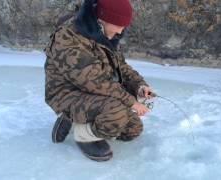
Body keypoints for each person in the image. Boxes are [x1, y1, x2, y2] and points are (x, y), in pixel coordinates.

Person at [44, 0, 153, 161]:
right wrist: (132, 102)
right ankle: (83, 134)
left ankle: (76, 118)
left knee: (132, 130)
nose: (118, 35)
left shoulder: (105, 34)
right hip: (67, 94)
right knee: (117, 113)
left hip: (95, 92)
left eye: (121, 31)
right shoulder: (67, 39)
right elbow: (95, 81)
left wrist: (139, 85)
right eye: (116, 30)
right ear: (101, 20)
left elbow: (120, 66)